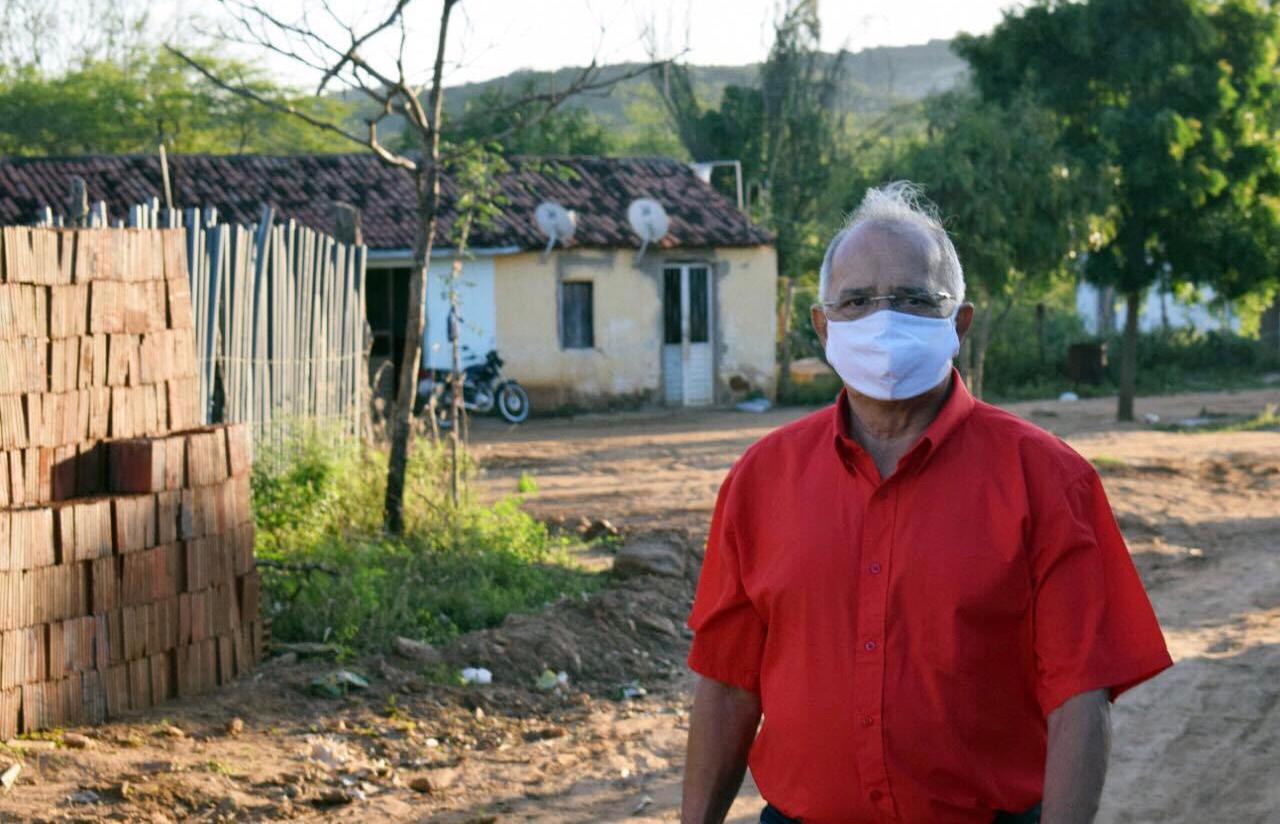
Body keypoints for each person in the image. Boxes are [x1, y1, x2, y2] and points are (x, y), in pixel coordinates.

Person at [681, 182, 1172, 824]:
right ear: (822, 326)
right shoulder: (760, 479)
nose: (883, 320)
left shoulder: (1048, 479)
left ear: (958, 323)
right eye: (856, 301)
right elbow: (725, 686)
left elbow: (1080, 699)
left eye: (914, 299)